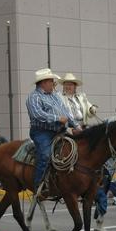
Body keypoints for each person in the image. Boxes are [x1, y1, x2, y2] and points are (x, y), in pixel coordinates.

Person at [26, 68, 81, 196]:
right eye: (51, 81)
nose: (54, 83)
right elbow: (37, 115)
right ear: (43, 82)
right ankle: (38, 185)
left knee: (75, 151)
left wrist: (77, 127)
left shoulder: (55, 96)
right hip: (41, 133)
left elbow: (66, 113)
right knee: (45, 155)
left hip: (58, 131)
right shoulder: (33, 97)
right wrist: (57, 118)